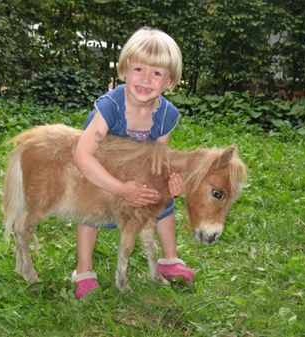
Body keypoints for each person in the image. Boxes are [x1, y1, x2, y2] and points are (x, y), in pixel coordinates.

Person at [72, 27, 194, 299]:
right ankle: (83, 269)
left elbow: (158, 159)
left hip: (138, 168)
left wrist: (172, 181)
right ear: (125, 69)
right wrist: (121, 189)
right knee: (90, 209)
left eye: (157, 73)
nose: (146, 79)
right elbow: (82, 156)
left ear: (170, 81)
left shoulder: (166, 116)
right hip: (101, 168)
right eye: (139, 69)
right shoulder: (109, 108)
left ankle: (170, 259)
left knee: (162, 201)